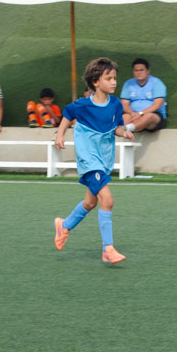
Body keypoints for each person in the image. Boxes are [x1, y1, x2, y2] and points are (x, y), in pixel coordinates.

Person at [52, 57, 135, 264]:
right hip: (89, 160)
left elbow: (115, 127)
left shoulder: (115, 104)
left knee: (90, 202)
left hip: (104, 159)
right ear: (96, 81)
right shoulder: (83, 105)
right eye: (109, 78)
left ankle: (64, 226)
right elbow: (67, 113)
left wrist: (124, 133)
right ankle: (108, 249)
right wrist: (60, 134)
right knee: (108, 200)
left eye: (115, 78)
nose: (114, 82)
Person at [120, 58, 168, 132]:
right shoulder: (128, 84)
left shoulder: (157, 83)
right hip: (134, 114)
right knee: (125, 117)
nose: (139, 73)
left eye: (141, 70)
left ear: (148, 71)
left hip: (154, 116)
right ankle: (122, 134)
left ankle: (128, 129)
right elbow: (124, 104)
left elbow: (157, 105)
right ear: (133, 72)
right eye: (136, 70)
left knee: (148, 116)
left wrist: (140, 114)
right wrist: (131, 112)